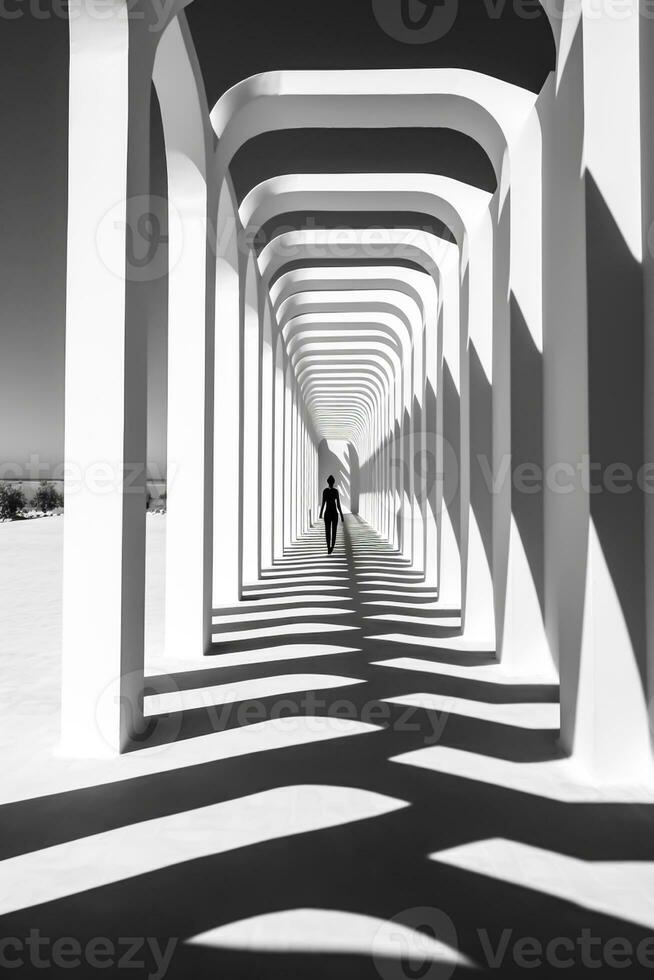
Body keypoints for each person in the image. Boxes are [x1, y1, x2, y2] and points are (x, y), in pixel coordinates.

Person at [319, 475, 344, 554]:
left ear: (328, 482)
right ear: (333, 482)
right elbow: (338, 505)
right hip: (334, 513)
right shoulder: (335, 491)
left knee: (327, 531)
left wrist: (320, 513)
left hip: (327, 513)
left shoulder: (325, 491)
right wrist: (341, 515)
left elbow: (323, 503)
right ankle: (332, 547)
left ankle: (328, 547)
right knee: (334, 531)